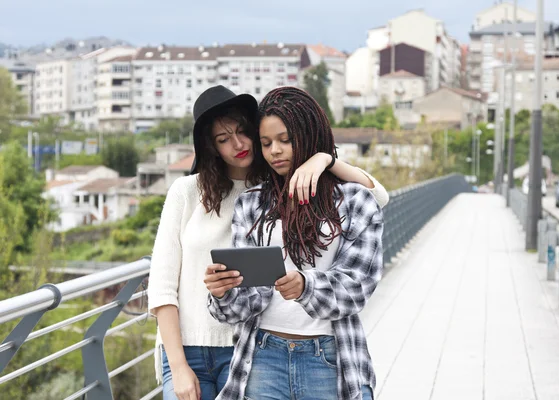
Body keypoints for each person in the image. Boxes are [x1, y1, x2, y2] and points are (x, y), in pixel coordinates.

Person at [147, 85, 389, 400]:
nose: (239, 145)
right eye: (223, 140)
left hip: (274, 348)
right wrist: (220, 296)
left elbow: (374, 202)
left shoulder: (316, 192)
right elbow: (169, 286)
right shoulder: (218, 197)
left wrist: (324, 160)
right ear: (211, 147)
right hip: (225, 350)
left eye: (246, 134)